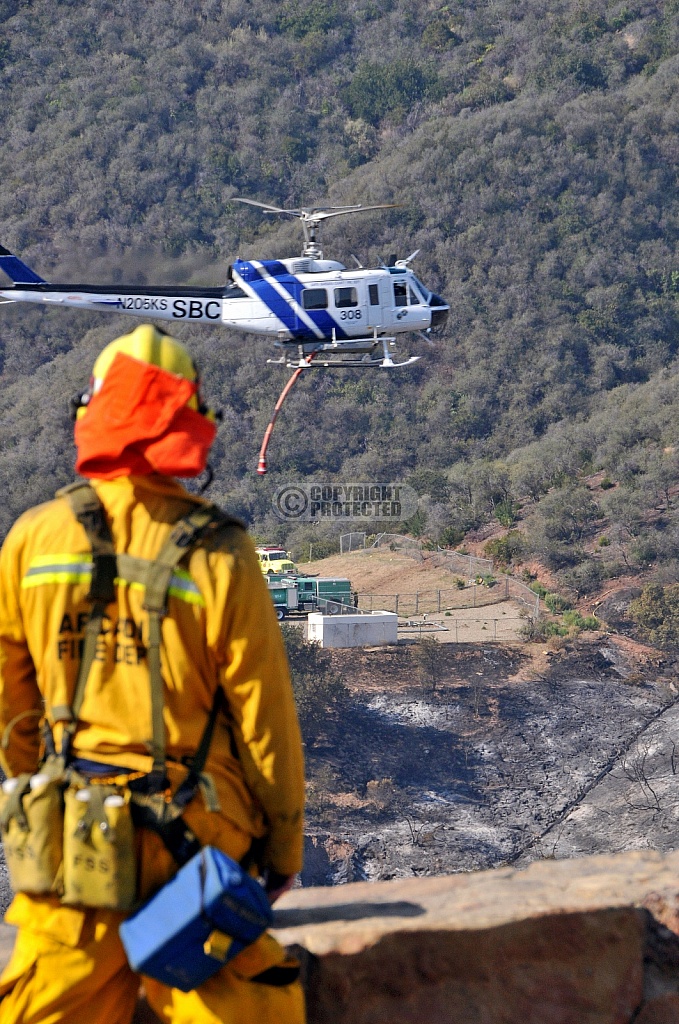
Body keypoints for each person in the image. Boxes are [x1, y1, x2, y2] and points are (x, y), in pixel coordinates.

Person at [0, 324, 305, 1024]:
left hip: (75, 844)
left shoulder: (33, 539)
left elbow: (10, 709)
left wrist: (43, 798)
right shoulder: (219, 552)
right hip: (196, 847)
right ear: (192, 424)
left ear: (90, 413)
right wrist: (282, 847)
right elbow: (264, 722)